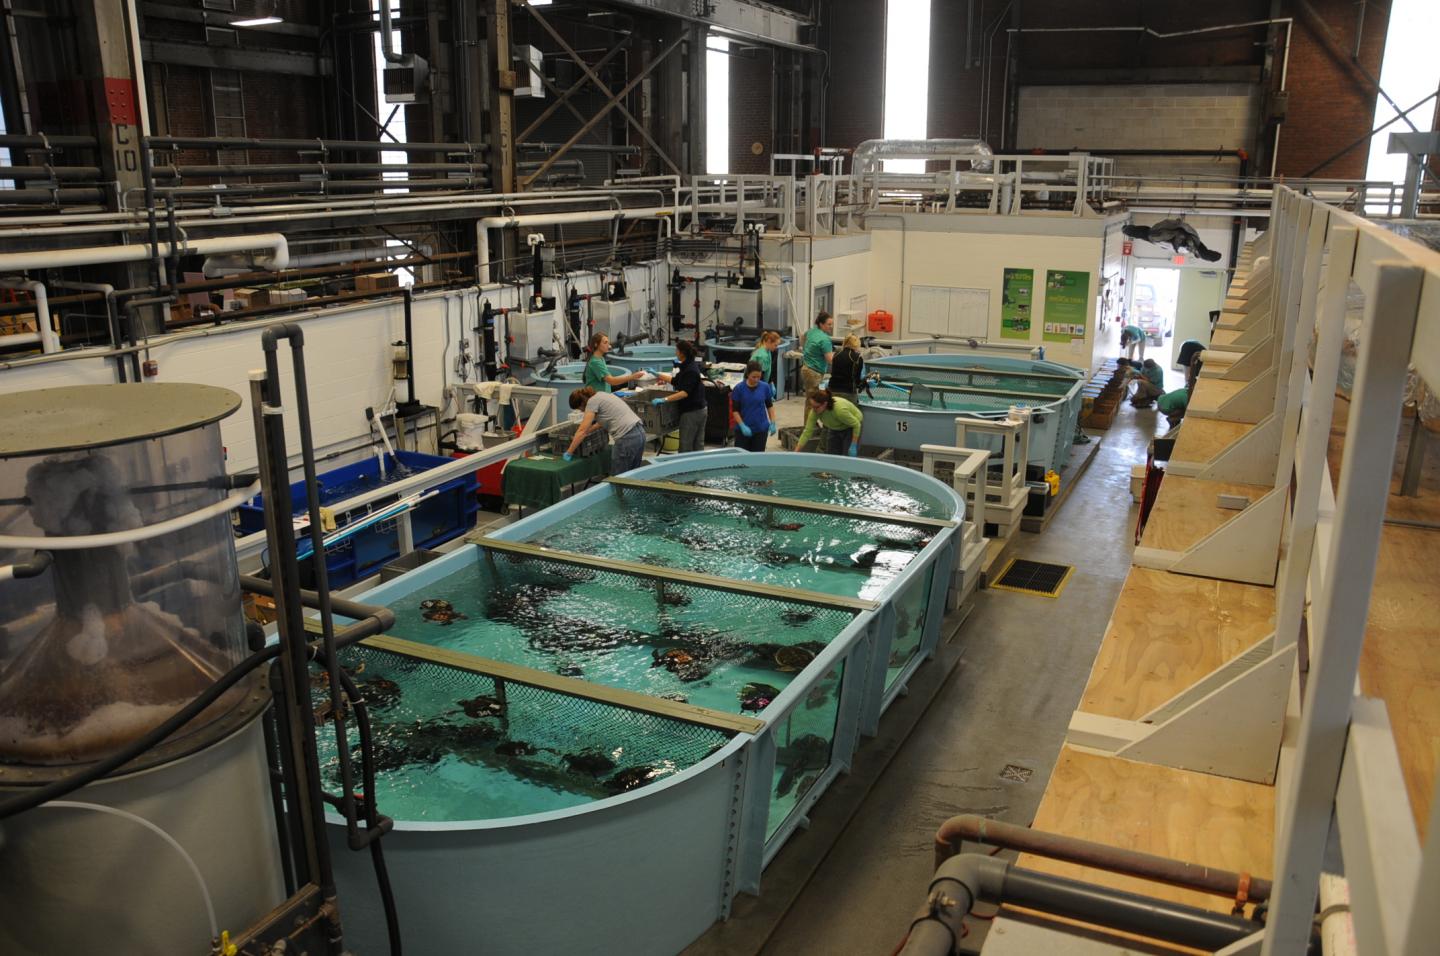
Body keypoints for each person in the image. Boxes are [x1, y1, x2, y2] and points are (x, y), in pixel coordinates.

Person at [565, 386, 647, 475]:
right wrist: (588, 431)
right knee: (633, 475)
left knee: (619, 478)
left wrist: (569, 452)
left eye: (579, 409)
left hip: (627, 438)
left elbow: (581, 431)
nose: (581, 411)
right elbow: (601, 422)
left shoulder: (591, 402)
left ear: (581, 403)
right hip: (640, 434)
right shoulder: (601, 395)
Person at [652, 338, 708, 452]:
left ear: (682, 353)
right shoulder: (687, 366)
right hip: (700, 410)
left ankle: (685, 469)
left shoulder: (691, 370)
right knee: (698, 444)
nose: (675, 353)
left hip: (692, 412)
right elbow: (675, 381)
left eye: (676, 351)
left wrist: (664, 399)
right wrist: (656, 374)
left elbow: (684, 393)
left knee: (686, 445)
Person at [794, 388, 862, 457]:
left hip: (850, 427)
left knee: (847, 456)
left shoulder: (840, 410)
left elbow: (856, 425)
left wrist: (853, 444)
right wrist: (796, 452)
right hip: (835, 427)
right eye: (812, 406)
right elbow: (807, 432)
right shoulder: (815, 412)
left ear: (825, 404)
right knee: (831, 455)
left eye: (816, 407)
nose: (813, 409)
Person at [730, 360, 777, 452]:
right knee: (742, 459)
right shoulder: (739, 389)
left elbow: (769, 406)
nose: (756, 379)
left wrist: (773, 422)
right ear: (748, 374)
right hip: (743, 430)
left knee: (757, 457)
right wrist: (742, 425)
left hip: (761, 429)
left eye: (759, 377)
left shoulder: (765, 387)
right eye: (754, 377)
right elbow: (735, 411)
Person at [582, 333, 648, 393]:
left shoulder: (600, 358)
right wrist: (632, 376)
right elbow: (612, 381)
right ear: (596, 344)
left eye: (608, 343)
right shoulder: (595, 362)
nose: (609, 346)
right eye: (605, 343)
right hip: (597, 399)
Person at [800, 312, 835, 395]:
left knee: (816, 397)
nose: (831, 327)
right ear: (821, 324)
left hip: (807, 369)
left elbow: (802, 338)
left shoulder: (811, 332)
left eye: (832, 324)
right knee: (814, 400)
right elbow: (830, 360)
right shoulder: (825, 339)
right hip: (814, 373)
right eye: (829, 324)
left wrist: (806, 350)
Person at [829, 335, 866, 403]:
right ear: (857, 344)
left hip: (832, 389)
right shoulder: (857, 357)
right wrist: (863, 384)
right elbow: (857, 379)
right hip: (848, 391)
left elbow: (832, 372)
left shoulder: (836, 354)